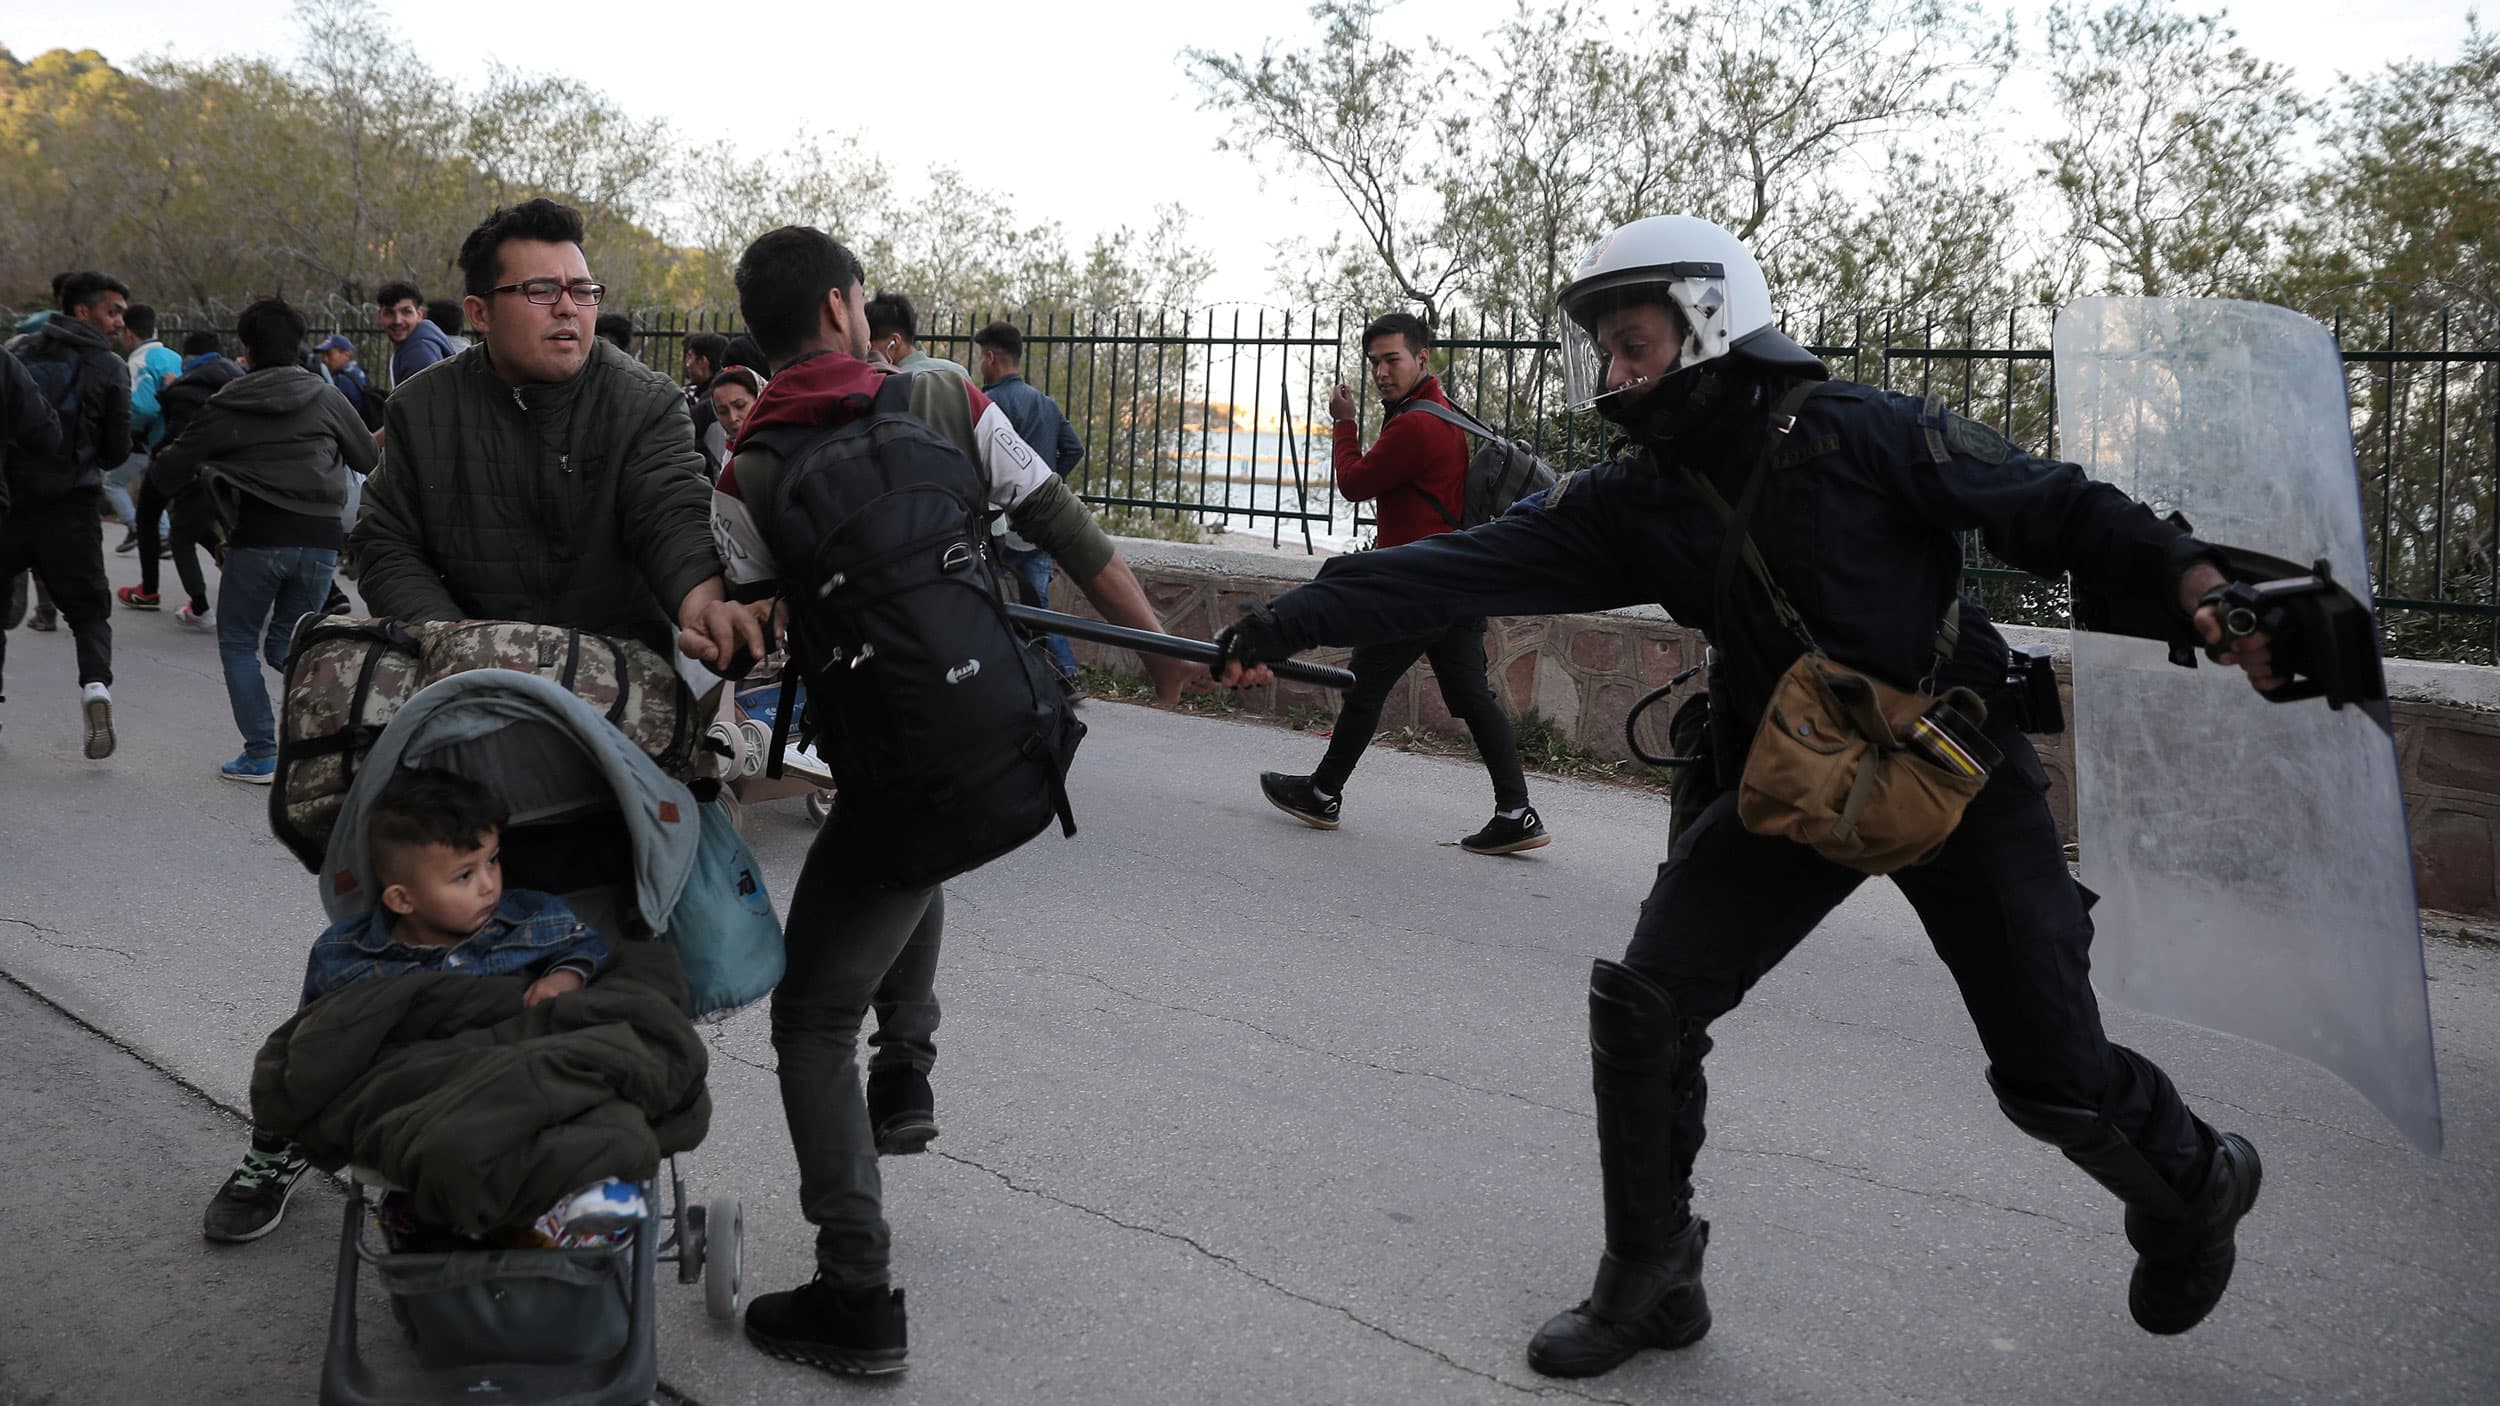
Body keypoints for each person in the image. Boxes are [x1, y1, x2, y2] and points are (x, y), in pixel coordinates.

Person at [1212, 214, 2275, 1380]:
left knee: (2051, 1076)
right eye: (1603, 351)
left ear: (1711, 321)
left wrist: (2195, 581)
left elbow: (2055, 504)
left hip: (1949, 766)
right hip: (1791, 775)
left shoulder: (1858, 431)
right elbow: (1460, 565)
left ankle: (2192, 1179)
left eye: (1634, 344)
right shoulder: (1637, 499)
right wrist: (1288, 615)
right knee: (1646, 1000)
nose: (1614, 374)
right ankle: (1652, 1272)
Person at [713, 225, 1194, 1376]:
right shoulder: (941, 394)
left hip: (897, 762)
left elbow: (755, 629)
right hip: (1011, 747)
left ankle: (857, 1293)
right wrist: (1165, 656)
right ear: (842, 307)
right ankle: (910, 1066)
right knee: (893, 853)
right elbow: (1066, 531)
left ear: (771, 334)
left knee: (812, 1011)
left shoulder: (746, 472)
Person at [233, 765, 640, 1249]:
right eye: (465, 875)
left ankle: (526, 1220)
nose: (489, 884)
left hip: (512, 1073)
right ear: (402, 898)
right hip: (420, 1092)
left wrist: (564, 975)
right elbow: (320, 1039)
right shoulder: (348, 958)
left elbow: (584, 944)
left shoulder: (530, 918)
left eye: (493, 861)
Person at [347, 197, 763, 669]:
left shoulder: (645, 402)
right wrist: (458, 645)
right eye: (542, 290)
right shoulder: (419, 409)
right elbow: (385, 544)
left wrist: (704, 609)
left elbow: (671, 513)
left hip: (612, 687)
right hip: (460, 686)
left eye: (583, 290)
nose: (568, 308)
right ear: (480, 314)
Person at [1255, 311, 1547, 855]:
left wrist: (1344, 422)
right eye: (1374, 363)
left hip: (1418, 585)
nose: (1382, 372)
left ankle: (1322, 793)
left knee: (1364, 688)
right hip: (1456, 580)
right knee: (1470, 698)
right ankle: (1516, 812)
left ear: (1421, 358)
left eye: (1392, 360)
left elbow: (1353, 483)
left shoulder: (1416, 424)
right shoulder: (1440, 411)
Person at [148, 298, 377, 783]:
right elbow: (366, 457)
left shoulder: (228, 401)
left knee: (237, 642)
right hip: (320, 541)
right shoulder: (326, 396)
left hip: (258, 537)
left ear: (246, 349)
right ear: (298, 346)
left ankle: (261, 754)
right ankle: (347, 723)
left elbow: (168, 472)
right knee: (285, 648)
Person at [0, 271, 132, 758]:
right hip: (72, 507)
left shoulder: (18, 354)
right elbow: (117, 451)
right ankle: (95, 688)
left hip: (10, 505)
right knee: (89, 613)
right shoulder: (109, 366)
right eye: (113, 310)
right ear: (84, 310)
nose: (120, 321)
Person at [971, 319, 1085, 686]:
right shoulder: (1045, 403)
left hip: (999, 525)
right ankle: (1052, 673)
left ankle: (1045, 674)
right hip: (1040, 524)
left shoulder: (988, 405)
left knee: (992, 601)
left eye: (980, 358)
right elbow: (1075, 449)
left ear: (991, 358)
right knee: (1036, 604)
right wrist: (1049, 481)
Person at [119, 332, 241, 619]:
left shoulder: (153, 366)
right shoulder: (236, 376)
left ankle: (151, 591)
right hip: (234, 466)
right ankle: (227, 564)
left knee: (157, 520)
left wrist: (151, 445)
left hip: (183, 463)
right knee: (200, 522)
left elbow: (150, 411)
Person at [105, 302, 181, 553]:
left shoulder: (138, 361)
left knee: (114, 482)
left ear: (128, 333)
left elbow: (143, 407)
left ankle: (142, 531)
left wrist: (126, 429)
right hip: (177, 436)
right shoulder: (174, 356)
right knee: (155, 489)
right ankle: (164, 536)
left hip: (150, 439)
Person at [863, 291, 970, 382]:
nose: (867, 353)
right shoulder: (959, 372)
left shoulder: (892, 383)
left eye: (869, 346)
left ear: (893, 343)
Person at [377, 281, 457, 391]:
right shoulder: (418, 344)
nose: (397, 321)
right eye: (389, 313)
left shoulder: (418, 353)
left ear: (419, 315)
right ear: (380, 316)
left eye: (406, 312)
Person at [313, 333, 383, 431]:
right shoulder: (357, 372)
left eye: (329, 354)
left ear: (346, 354)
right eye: (323, 355)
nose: (324, 359)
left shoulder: (342, 380)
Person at [706, 365, 765, 459]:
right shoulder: (727, 457)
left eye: (740, 405)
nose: (733, 418)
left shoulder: (781, 445)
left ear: (759, 400)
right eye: (723, 411)